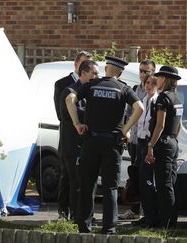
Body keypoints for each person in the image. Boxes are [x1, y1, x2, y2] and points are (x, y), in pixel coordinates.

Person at [66, 56, 144, 234]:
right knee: (110, 187)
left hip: (91, 141)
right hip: (112, 143)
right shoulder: (123, 88)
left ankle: (84, 227)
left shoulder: (92, 85)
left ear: (107, 68)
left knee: (88, 184)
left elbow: (70, 98)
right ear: (120, 72)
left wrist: (77, 124)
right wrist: (125, 129)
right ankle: (109, 228)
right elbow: (140, 108)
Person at [54, 50, 93, 220]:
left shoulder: (90, 85)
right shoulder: (64, 85)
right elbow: (60, 113)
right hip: (69, 137)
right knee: (67, 176)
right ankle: (64, 211)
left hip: (85, 140)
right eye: (84, 63)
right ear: (77, 65)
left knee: (79, 179)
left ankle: (80, 212)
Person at [146, 66, 183, 229]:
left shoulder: (162, 98)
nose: (157, 80)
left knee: (163, 185)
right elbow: (179, 126)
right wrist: (172, 140)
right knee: (170, 183)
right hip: (173, 143)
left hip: (163, 144)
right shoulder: (177, 98)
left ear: (165, 79)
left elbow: (159, 125)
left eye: (159, 77)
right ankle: (170, 220)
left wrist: (150, 145)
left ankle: (167, 223)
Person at [120, 60, 155, 220]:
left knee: (145, 175)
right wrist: (126, 132)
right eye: (141, 71)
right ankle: (135, 210)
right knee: (135, 175)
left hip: (146, 141)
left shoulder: (154, 91)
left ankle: (146, 211)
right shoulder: (135, 89)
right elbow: (128, 113)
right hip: (133, 140)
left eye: (147, 71)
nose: (143, 74)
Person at [135, 75, 159, 227]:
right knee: (142, 181)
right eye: (147, 83)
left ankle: (152, 217)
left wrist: (151, 145)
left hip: (150, 143)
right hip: (140, 142)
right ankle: (146, 215)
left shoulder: (157, 101)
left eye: (152, 83)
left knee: (149, 181)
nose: (149, 86)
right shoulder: (143, 100)